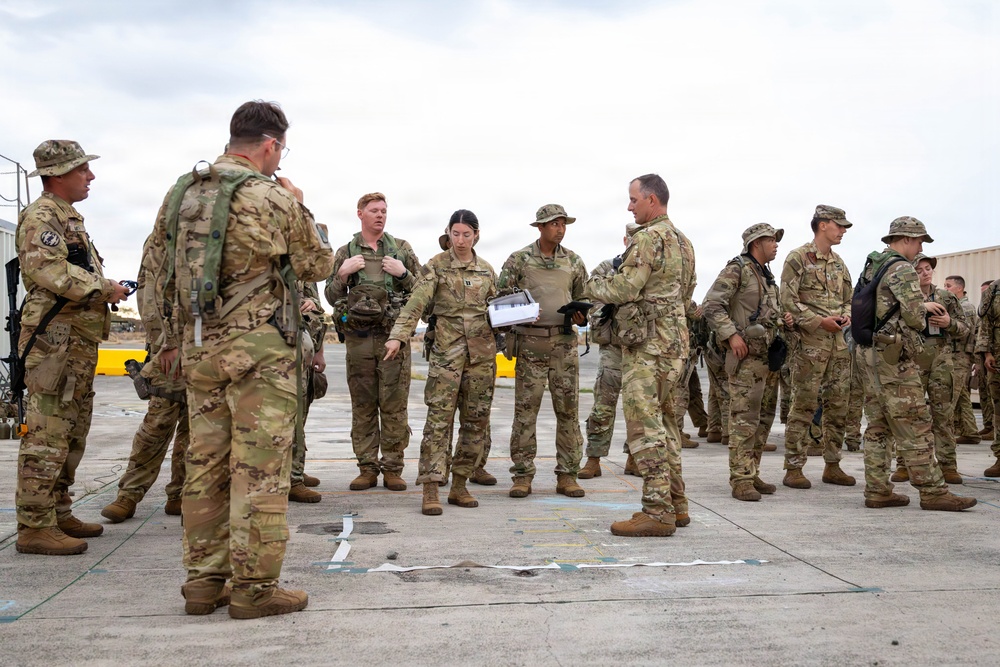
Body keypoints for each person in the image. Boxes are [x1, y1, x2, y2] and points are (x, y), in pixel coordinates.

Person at [151, 101, 334, 618]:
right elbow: (317, 263)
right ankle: (254, 589)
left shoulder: (182, 192)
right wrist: (302, 206)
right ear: (271, 145)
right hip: (258, 354)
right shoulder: (269, 195)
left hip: (200, 347)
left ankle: (203, 584)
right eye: (281, 150)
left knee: (203, 465)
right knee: (259, 471)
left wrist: (168, 339)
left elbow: (159, 268)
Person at [14, 140, 131, 556]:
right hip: (55, 342)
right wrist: (106, 288)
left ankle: (57, 508)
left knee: (72, 430)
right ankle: (34, 524)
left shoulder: (70, 219)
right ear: (58, 174)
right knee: (48, 432)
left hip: (76, 340)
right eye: (83, 170)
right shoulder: (42, 217)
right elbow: (49, 270)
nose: (91, 176)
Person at [586, 174, 696, 537]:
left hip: (647, 349)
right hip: (674, 346)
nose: (630, 206)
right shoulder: (684, 242)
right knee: (666, 427)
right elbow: (685, 293)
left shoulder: (647, 238)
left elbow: (625, 286)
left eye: (633, 199)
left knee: (644, 429)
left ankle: (657, 512)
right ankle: (676, 505)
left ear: (651, 200)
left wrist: (589, 289)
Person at [856, 217, 974, 511]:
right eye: (920, 241)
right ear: (906, 239)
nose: (920, 247)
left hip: (869, 353)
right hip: (894, 358)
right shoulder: (902, 268)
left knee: (879, 425)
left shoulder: (874, 264)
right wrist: (923, 309)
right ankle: (934, 492)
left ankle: (878, 489)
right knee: (916, 422)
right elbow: (913, 318)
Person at [384, 210, 498, 515]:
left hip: (482, 357)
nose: (460, 240)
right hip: (447, 356)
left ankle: (459, 485)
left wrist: (517, 315)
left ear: (476, 235)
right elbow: (417, 301)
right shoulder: (436, 266)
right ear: (448, 233)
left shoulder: (487, 271)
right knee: (439, 422)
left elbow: (496, 310)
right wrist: (399, 335)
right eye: (455, 234)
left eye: (466, 234)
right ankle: (431, 488)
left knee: (475, 422)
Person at [325, 193, 421, 491]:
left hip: (393, 338)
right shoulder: (346, 252)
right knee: (363, 405)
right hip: (359, 340)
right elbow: (330, 296)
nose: (380, 215)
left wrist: (403, 274)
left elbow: (423, 291)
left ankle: (393, 468)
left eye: (383, 211)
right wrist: (342, 274)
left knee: (394, 404)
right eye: (374, 211)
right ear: (360, 214)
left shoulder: (401, 249)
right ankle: (367, 468)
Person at [498, 204, 589, 499]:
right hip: (530, 344)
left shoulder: (573, 261)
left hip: (563, 344)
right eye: (554, 224)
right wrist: (519, 313)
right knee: (526, 413)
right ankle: (522, 476)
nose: (560, 229)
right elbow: (499, 299)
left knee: (568, 412)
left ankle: (568, 475)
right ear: (540, 227)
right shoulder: (519, 260)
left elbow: (585, 297)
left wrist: (582, 316)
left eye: (563, 224)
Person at [101, 233, 187, 523]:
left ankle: (182, 495)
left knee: (199, 429)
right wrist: (165, 343)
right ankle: (128, 495)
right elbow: (148, 294)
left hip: (212, 349)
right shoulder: (165, 235)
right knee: (158, 424)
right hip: (172, 347)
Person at [703, 223, 789, 501]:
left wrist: (782, 319)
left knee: (763, 420)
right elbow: (711, 305)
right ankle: (740, 479)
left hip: (767, 358)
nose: (776, 244)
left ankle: (751, 472)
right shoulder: (737, 268)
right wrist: (730, 336)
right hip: (746, 358)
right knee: (744, 419)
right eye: (771, 240)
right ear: (756, 243)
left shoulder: (766, 275)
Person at [779, 205, 856, 489]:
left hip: (838, 346)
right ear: (823, 225)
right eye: (840, 225)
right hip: (810, 345)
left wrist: (846, 314)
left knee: (838, 407)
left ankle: (832, 465)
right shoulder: (798, 258)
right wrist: (818, 321)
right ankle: (794, 468)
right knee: (803, 405)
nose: (843, 231)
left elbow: (850, 298)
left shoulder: (839, 263)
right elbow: (787, 300)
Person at [888, 255, 968, 484]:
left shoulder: (946, 297)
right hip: (912, 359)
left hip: (941, 359)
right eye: (919, 269)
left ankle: (948, 466)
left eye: (928, 268)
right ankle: (904, 465)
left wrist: (949, 324)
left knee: (943, 415)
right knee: (909, 415)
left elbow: (966, 329)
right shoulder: (902, 297)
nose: (925, 272)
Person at [580, 225, 632, 479]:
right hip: (613, 347)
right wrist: (607, 311)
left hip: (641, 349)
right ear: (625, 240)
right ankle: (593, 459)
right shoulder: (606, 269)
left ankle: (635, 457)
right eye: (632, 239)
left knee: (640, 408)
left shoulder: (652, 272)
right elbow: (590, 298)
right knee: (603, 405)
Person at [288, 281, 328, 503]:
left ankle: (295, 472)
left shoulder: (305, 271)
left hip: (302, 351)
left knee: (300, 415)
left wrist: (319, 352)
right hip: (276, 353)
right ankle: (290, 479)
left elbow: (318, 316)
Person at [943, 275, 980, 445]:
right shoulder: (961, 305)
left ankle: (945, 436)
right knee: (963, 396)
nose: (945, 288)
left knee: (950, 396)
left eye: (948, 286)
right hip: (957, 355)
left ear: (959, 288)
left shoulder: (965, 307)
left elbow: (962, 331)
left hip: (959, 356)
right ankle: (970, 432)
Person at [977, 277, 1000, 475]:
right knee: (998, 409)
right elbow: (985, 322)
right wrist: (987, 352)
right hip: (998, 357)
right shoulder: (994, 289)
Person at [976, 280, 995, 441]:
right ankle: (991, 427)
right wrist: (986, 353)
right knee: (990, 396)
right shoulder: (994, 292)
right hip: (993, 355)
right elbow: (985, 326)